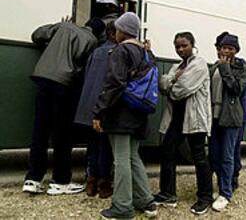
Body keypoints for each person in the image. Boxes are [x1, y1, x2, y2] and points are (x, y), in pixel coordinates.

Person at [22, 17, 105, 195]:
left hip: (42, 78)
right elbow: (85, 68)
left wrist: (58, 31)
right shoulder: (92, 41)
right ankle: (60, 181)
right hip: (64, 85)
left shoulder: (64, 26)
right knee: (62, 134)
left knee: (40, 131)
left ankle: (32, 179)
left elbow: (36, 35)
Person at [92, 12, 157, 219]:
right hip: (140, 113)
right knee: (132, 158)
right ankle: (146, 201)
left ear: (122, 31)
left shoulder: (121, 50)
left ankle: (122, 207)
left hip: (121, 114)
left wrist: (99, 111)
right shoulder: (147, 53)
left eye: (117, 29)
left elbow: (114, 84)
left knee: (120, 160)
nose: (115, 32)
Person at [154, 32, 213, 215]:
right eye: (177, 46)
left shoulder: (200, 64)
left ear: (192, 45)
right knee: (167, 152)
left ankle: (205, 197)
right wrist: (172, 79)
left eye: (184, 45)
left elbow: (182, 89)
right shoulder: (177, 66)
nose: (180, 49)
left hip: (194, 119)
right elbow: (162, 84)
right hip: (176, 119)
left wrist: (172, 82)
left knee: (199, 157)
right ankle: (167, 193)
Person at [73, 21, 117, 198]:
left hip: (87, 105)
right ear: (115, 34)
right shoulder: (117, 52)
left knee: (92, 146)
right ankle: (104, 183)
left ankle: (91, 182)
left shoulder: (96, 51)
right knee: (105, 146)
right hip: (104, 106)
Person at [209, 33, 246, 211]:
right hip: (214, 116)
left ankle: (226, 192)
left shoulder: (241, 67)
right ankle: (221, 186)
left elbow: (236, 89)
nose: (226, 51)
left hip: (231, 118)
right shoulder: (214, 66)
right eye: (224, 47)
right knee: (214, 155)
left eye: (231, 48)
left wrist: (225, 69)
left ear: (236, 51)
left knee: (228, 156)